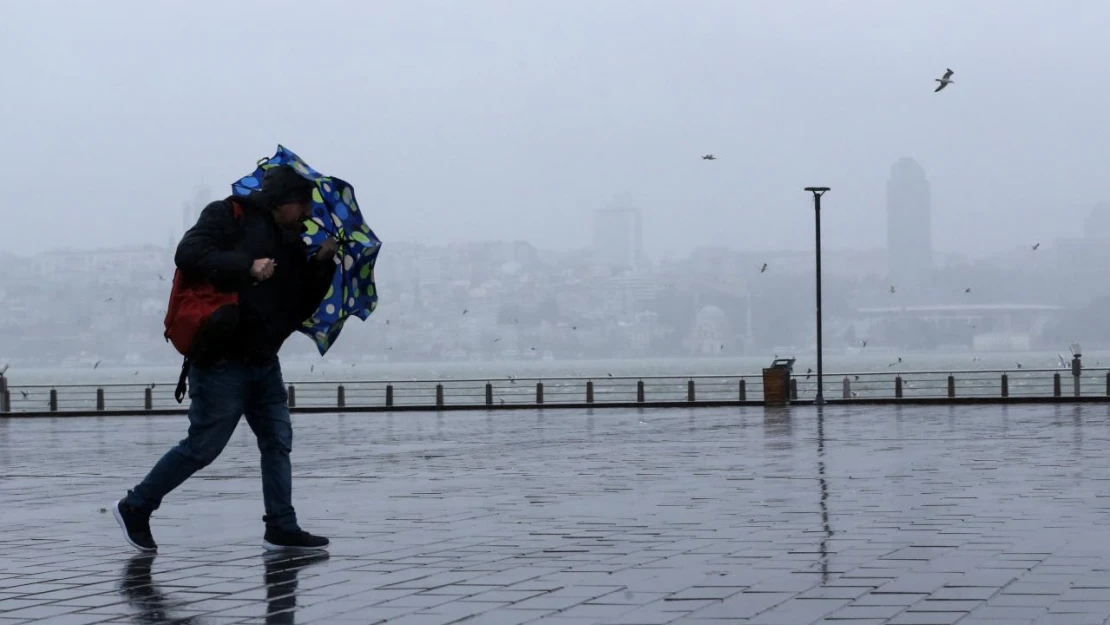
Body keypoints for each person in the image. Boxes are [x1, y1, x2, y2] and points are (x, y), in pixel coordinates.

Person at [113, 165, 337, 553]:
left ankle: (281, 526)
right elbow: (188, 254)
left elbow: (299, 306)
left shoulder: (292, 243)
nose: (307, 213)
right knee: (203, 446)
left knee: (277, 441)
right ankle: (136, 506)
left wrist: (320, 264)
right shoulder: (226, 215)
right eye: (302, 204)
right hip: (221, 359)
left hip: (264, 360)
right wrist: (247, 267)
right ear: (283, 201)